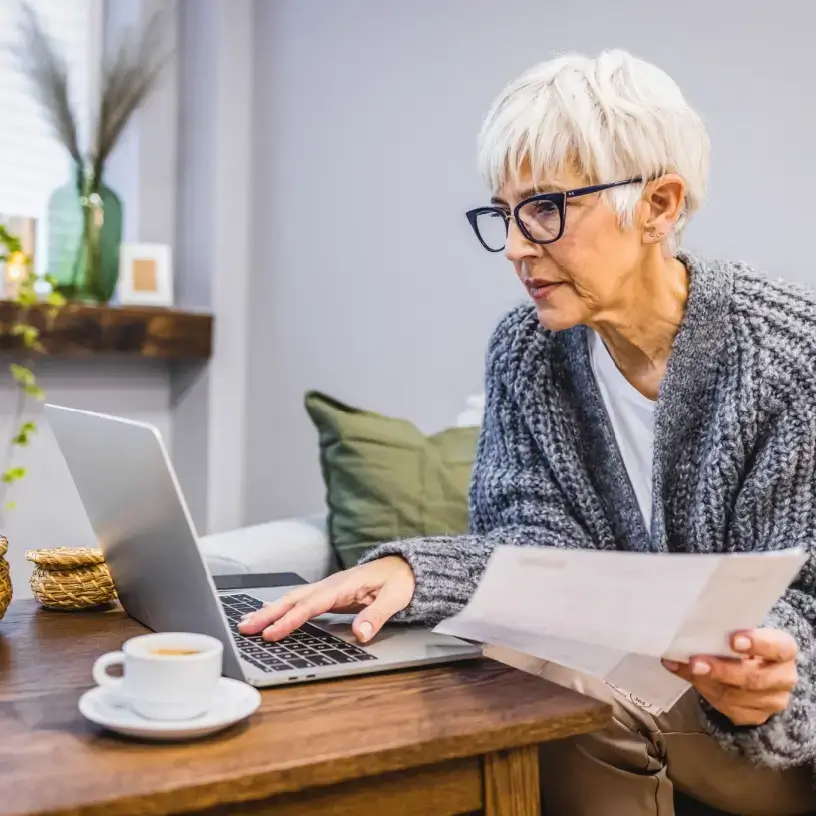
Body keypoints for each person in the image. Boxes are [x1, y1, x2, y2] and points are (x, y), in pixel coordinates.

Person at [240, 50, 816, 815]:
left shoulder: (788, 356)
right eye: (504, 213)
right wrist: (417, 573)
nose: (515, 245)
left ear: (659, 206)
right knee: (497, 666)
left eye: (545, 208)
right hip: (629, 686)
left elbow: (800, 597)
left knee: (552, 684)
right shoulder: (528, 349)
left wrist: (771, 678)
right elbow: (538, 552)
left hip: (775, 733)